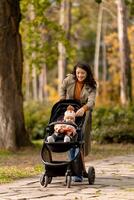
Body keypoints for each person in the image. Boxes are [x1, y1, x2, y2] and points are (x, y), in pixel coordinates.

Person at [59, 62, 97, 182]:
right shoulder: (69, 79)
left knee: (79, 142)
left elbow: (91, 102)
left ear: (87, 73)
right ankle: (73, 170)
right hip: (68, 112)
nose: (80, 75)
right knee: (70, 139)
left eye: (83, 73)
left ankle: (78, 171)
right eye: (78, 72)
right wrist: (62, 100)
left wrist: (83, 108)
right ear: (75, 72)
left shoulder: (91, 85)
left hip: (82, 114)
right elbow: (62, 88)